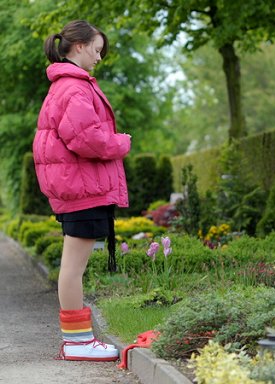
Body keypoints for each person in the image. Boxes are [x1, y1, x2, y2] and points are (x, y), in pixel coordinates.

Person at [33, 20, 131, 361]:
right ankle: (78, 343)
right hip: (82, 189)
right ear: (79, 46)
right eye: (96, 50)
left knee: (73, 266)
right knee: (73, 267)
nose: (99, 58)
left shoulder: (67, 85)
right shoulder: (73, 88)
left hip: (78, 187)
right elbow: (87, 139)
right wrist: (121, 143)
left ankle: (78, 341)